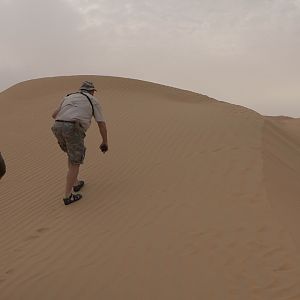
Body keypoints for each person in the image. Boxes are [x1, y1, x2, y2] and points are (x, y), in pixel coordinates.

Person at [51, 81, 108, 205]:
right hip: (73, 128)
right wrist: (104, 141)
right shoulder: (93, 100)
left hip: (57, 127)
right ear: (92, 91)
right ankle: (68, 196)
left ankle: (76, 182)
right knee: (75, 160)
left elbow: (54, 115)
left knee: (71, 155)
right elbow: (101, 123)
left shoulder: (68, 96)